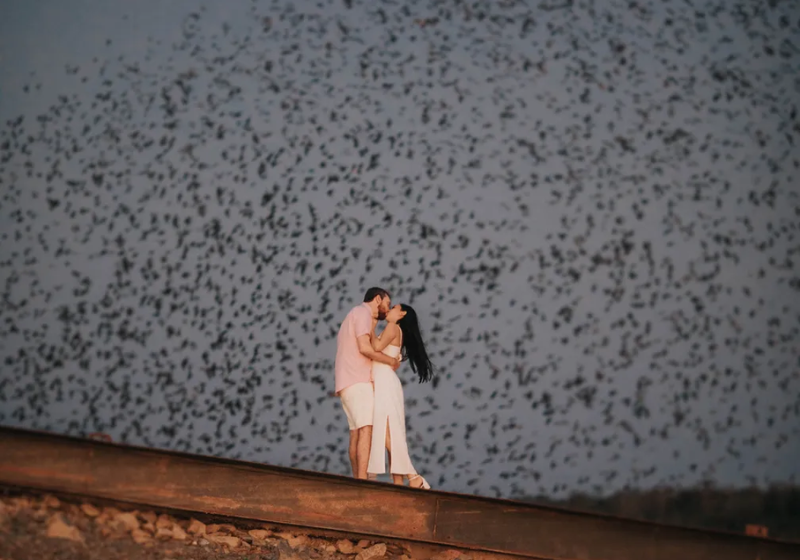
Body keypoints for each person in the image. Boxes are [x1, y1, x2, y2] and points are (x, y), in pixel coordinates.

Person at [334, 287, 401, 479]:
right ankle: (363, 481)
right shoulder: (362, 312)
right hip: (357, 380)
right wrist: (391, 361)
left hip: (346, 382)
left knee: (356, 431)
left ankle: (358, 478)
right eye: (387, 304)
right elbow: (365, 348)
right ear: (377, 299)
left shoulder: (354, 315)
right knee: (366, 429)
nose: (387, 310)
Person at [367, 304, 435, 489]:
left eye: (394, 307)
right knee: (391, 431)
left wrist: (370, 326)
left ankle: (413, 476)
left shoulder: (393, 327)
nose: (389, 309)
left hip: (385, 382)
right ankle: (399, 481)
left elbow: (375, 346)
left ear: (401, 314)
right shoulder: (395, 329)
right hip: (386, 381)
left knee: (387, 431)